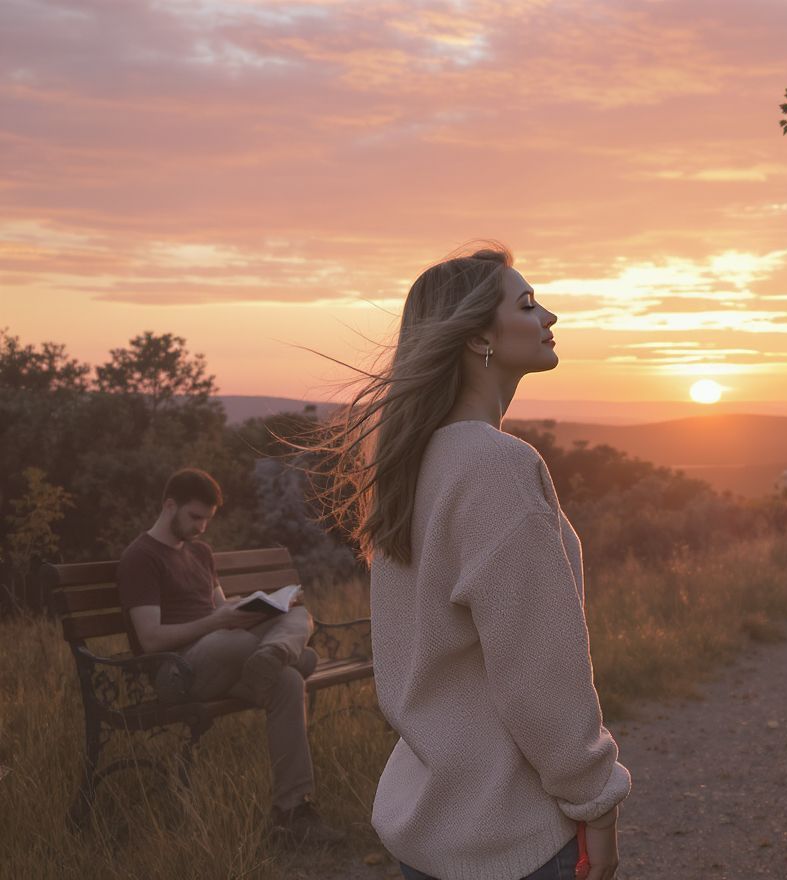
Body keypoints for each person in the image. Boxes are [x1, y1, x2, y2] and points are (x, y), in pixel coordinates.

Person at [314, 245, 630, 880]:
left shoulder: (415, 464)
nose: (550, 315)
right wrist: (597, 802)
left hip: (430, 831)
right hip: (511, 840)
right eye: (527, 303)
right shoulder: (496, 468)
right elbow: (540, 674)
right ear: (479, 336)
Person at [115, 467, 344, 847]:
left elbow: (221, 608)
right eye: (195, 517)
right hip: (178, 670)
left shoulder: (201, 553)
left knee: (296, 628)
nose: (202, 527)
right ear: (169, 506)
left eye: (207, 519)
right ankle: (289, 655)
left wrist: (256, 608)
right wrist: (220, 621)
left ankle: (292, 814)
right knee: (250, 648)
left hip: (229, 656)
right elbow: (151, 639)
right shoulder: (140, 558)